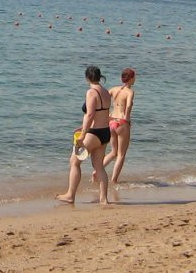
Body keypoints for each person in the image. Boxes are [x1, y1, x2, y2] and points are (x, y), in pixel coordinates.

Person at [57, 65, 113, 206]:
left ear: (87, 77)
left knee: (74, 162)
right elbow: (102, 113)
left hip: (94, 133)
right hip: (105, 132)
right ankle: (103, 199)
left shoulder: (91, 92)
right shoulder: (106, 92)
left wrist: (83, 134)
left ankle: (70, 195)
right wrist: (83, 127)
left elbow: (90, 114)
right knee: (99, 167)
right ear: (100, 77)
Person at [106, 68, 136, 201]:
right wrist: (127, 118)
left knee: (113, 152)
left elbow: (103, 100)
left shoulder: (113, 90)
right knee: (121, 154)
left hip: (112, 120)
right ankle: (114, 180)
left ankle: (97, 171)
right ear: (130, 79)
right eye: (134, 77)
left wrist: (107, 114)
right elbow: (128, 106)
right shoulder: (130, 92)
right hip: (122, 122)